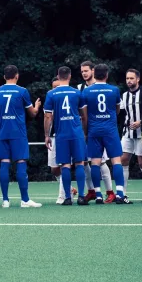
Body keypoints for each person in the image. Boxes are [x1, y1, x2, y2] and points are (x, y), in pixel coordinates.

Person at [0, 65, 42, 208]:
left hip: (3, 132)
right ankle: (24, 200)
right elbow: (32, 113)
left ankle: (5, 200)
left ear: (4, 76)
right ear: (17, 76)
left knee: (4, 163)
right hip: (18, 132)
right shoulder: (22, 91)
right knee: (20, 163)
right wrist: (37, 106)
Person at [81, 64, 130, 204]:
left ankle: (97, 195)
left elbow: (84, 115)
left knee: (95, 162)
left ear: (94, 74)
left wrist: (86, 131)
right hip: (110, 130)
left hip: (94, 130)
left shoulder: (87, 91)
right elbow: (117, 109)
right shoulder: (114, 90)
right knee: (116, 161)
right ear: (107, 75)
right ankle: (120, 193)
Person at [44, 66, 88, 205]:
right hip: (76, 133)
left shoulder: (51, 94)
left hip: (61, 134)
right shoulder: (77, 93)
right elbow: (84, 116)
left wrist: (46, 135)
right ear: (69, 76)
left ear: (58, 76)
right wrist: (84, 132)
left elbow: (47, 116)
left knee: (65, 165)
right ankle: (81, 196)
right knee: (80, 163)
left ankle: (67, 198)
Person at [78, 61, 116, 202]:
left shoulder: (101, 87)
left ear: (93, 71)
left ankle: (110, 191)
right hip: (83, 131)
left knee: (101, 162)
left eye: (86, 70)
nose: (84, 73)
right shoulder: (80, 88)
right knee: (85, 161)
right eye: (82, 71)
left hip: (98, 129)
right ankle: (92, 191)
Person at [119, 69, 142, 202]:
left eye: (132, 78)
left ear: (138, 79)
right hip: (128, 132)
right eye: (127, 78)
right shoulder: (124, 95)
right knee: (123, 159)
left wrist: (141, 122)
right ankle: (123, 193)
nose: (129, 81)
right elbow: (121, 114)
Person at [48, 76, 77, 204]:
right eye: (54, 87)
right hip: (53, 136)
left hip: (64, 136)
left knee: (63, 164)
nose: (56, 89)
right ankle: (70, 189)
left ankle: (63, 196)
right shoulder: (50, 99)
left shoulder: (68, 101)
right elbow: (47, 118)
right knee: (54, 168)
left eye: (58, 86)